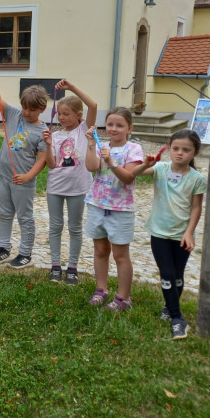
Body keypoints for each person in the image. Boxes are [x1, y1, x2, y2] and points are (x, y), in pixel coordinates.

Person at [131, 130, 206, 339]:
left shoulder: (197, 179)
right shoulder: (161, 169)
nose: (179, 153)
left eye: (186, 150)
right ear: (169, 149)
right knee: (166, 274)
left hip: (182, 235)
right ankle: (177, 318)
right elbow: (134, 173)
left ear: (195, 152)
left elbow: (196, 208)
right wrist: (146, 163)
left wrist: (189, 233)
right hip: (159, 233)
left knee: (178, 275)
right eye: (175, 148)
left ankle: (168, 306)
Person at [83, 107, 144, 311]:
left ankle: (123, 297)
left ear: (129, 128)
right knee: (100, 250)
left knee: (120, 255)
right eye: (110, 124)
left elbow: (128, 177)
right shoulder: (101, 145)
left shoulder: (133, 149)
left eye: (119, 125)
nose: (114, 129)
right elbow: (91, 167)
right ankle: (101, 290)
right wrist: (92, 144)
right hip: (97, 205)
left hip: (120, 209)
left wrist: (110, 161)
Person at [0, 71, 48, 268]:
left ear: (42, 109)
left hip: (23, 180)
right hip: (3, 174)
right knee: (4, 212)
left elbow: (43, 159)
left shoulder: (43, 132)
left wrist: (28, 176)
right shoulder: (15, 114)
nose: (26, 112)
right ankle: (4, 248)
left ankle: (25, 253)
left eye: (31, 109)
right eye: (24, 107)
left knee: (24, 216)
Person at [41, 79, 97, 285]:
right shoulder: (55, 136)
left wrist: (72, 87)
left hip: (78, 188)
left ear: (78, 115)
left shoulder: (84, 130)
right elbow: (51, 164)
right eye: (59, 114)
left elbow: (93, 105)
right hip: (55, 188)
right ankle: (55, 265)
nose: (62, 117)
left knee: (75, 228)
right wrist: (48, 145)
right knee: (55, 226)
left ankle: (72, 267)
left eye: (66, 114)